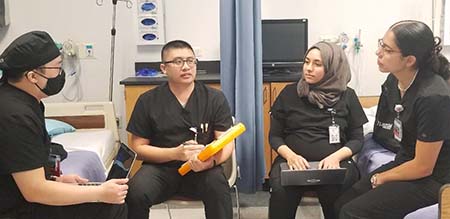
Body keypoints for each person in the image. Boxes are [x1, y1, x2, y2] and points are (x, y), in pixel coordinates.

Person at [0, 31, 129, 219]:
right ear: (32, 76)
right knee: (110, 208)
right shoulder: (15, 115)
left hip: (21, 197)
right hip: (16, 209)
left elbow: (22, 168)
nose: (61, 74)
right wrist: (99, 192)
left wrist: (56, 180)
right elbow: (34, 190)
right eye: (57, 67)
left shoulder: (27, 101)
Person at [335, 20, 450, 219]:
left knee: (352, 213)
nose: (378, 52)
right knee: (341, 203)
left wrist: (382, 177)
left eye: (387, 50)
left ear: (409, 60)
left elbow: (424, 166)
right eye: (381, 44)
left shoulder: (432, 97)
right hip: (406, 162)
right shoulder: (394, 80)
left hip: (433, 179)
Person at [126, 40, 234, 219]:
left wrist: (211, 162)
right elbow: (138, 147)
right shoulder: (147, 101)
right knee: (135, 192)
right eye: (178, 62)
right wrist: (175, 154)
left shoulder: (214, 98)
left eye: (190, 61)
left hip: (202, 168)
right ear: (163, 68)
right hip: (161, 169)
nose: (186, 67)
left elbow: (227, 142)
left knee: (217, 185)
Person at [268, 41, 368, 219]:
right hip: (293, 161)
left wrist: (335, 157)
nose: (308, 68)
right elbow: (275, 137)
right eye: (306, 62)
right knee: (280, 190)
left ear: (332, 68)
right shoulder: (289, 93)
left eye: (317, 64)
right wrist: (291, 156)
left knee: (340, 192)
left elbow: (357, 139)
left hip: (335, 162)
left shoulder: (347, 96)